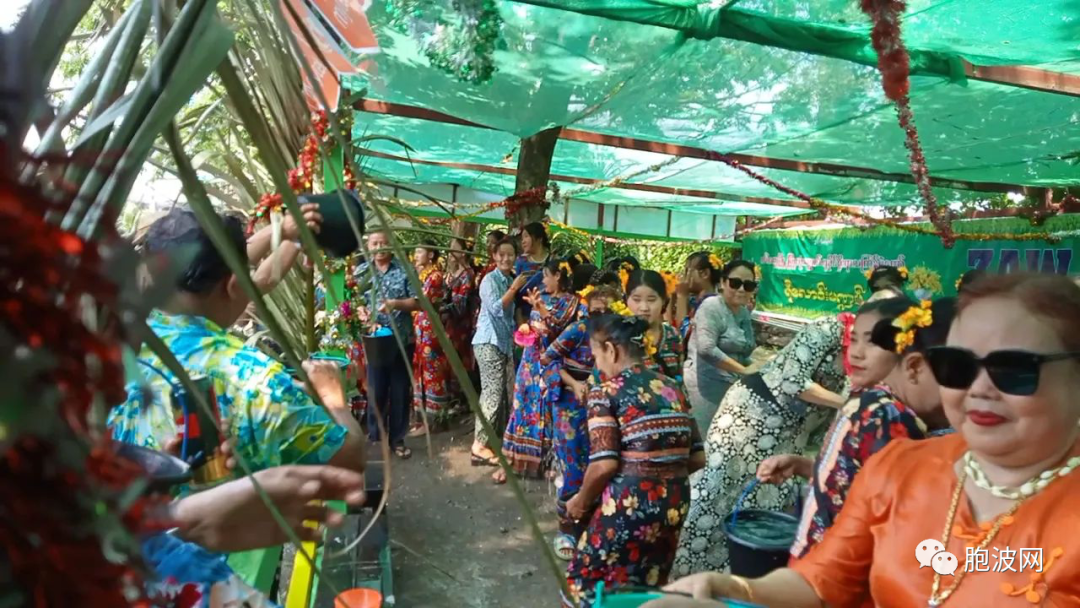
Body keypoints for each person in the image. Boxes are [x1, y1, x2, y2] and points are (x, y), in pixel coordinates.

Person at [653, 273, 1080, 608]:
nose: (980, 388)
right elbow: (820, 580)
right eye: (957, 365)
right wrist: (735, 590)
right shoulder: (901, 464)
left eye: (1015, 368)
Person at [109, 209, 365, 474]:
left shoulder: (114, 348)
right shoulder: (255, 381)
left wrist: (283, 230)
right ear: (233, 284)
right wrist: (332, 398)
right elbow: (351, 457)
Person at [759, 297, 956, 562]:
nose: (857, 353)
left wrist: (809, 466)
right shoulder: (887, 417)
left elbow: (854, 480)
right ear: (913, 363)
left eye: (871, 341)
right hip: (835, 573)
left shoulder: (871, 400)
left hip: (814, 565)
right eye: (960, 373)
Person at [672, 310, 849, 576]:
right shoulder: (829, 328)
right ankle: (680, 573)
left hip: (789, 432)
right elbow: (794, 382)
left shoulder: (880, 358)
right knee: (715, 492)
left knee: (766, 502)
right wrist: (849, 405)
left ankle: (734, 580)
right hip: (751, 414)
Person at [562, 313, 706, 608]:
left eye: (596, 355)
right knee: (645, 585)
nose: (596, 364)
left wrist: (579, 503)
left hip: (629, 504)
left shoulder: (605, 393)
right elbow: (697, 457)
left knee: (585, 582)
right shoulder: (672, 387)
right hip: (675, 503)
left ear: (611, 350)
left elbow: (604, 465)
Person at [545, 285, 620, 560]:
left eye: (607, 311)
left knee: (599, 465)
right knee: (572, 466)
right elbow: (548, 359)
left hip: (603, 407)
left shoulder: (618, 335)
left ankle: (594, 525)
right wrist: (575, 384)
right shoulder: (577, 330)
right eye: (595, 311)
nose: (599, 316)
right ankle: (567, 528)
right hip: (570, 406)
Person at [495, 259, 578, 483]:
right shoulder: (543, 296)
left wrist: (540, 309)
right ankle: (512, 460)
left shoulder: (571, 302)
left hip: (550, 363)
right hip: (530, 360)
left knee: (546, 410)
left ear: (557, 276)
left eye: (545, 275)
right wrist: (526, 329)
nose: (542, 280)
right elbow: (536, 325)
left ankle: (546, 462)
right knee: (521, 406)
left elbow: (558, 329)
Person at [354, 230, 420, 460]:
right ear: (368, 246)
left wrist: (395, 304)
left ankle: (398, 440)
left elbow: (418, 302)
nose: (379, 247)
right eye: (375, 243)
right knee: (375, 389)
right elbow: (353, 300)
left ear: (391, 245)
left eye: (384, 243)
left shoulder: (405, 270)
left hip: (401, 341)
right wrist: (360, 311)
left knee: (400, 390)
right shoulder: (362, 272)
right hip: (374, 342)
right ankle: (375, 439)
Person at [471, 238, 529, 465]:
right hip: (488, 342)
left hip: (502, 343)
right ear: (494, 256)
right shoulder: (490, 280)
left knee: (500, 395)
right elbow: (496, 309)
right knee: (492, 396)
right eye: (501, 254)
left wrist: (522, 327)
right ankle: (478, 446)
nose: (506, 258)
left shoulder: (508, 279)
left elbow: (512, 314)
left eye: (510, 255)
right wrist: (514, 289)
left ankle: (490, 441)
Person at [683, 260, 758, 433]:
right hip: (705, 386)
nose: (741, 289)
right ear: (723, 283)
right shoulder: (711, 307)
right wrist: (743, 370)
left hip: (733, 385)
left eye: (748, 285)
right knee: (708, 440)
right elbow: (706, 349)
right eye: (735, 283)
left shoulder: (744, 312)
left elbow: (746, 349)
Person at [411, 241, 451, 432]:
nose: (416, 255)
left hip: (430, 329)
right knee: (420, 370)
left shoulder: (435, 276)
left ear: (431, 255)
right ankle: (422, 419)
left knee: (431, 371)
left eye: (420, 251)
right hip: (420, 328)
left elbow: (421, 301)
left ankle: (434, 420)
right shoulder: (421, 274)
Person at [626, 270, 683, 380]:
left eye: (651, 300)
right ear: (626, 300)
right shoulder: (617, 336)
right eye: (636, 299)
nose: (644, 308)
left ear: (663, 301)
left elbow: (680, 377)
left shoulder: (673, 335)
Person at [443, 237, 479, 404]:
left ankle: (463, 400)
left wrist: (442, 307)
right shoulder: (452, 273)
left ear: (463, 253)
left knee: (461, 359)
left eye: (455, 249)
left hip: (461, 324)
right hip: (450, 323)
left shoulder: (467, 274)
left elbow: (461, 303)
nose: (451, 253)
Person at [674, 251, 721, 342]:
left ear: (705, 274)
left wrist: (682, 296)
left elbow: (685, 333)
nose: (684, 276)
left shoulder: (711, 304)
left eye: (687, 271)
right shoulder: (695, 299)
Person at [514, 222, 552, 322]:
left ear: (539, 238)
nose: (523, 242)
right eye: (522, 238)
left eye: (526, 236)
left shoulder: (554, 259)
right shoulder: (521, 261)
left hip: (549, 314)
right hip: (525, 316)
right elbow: (517, 294)